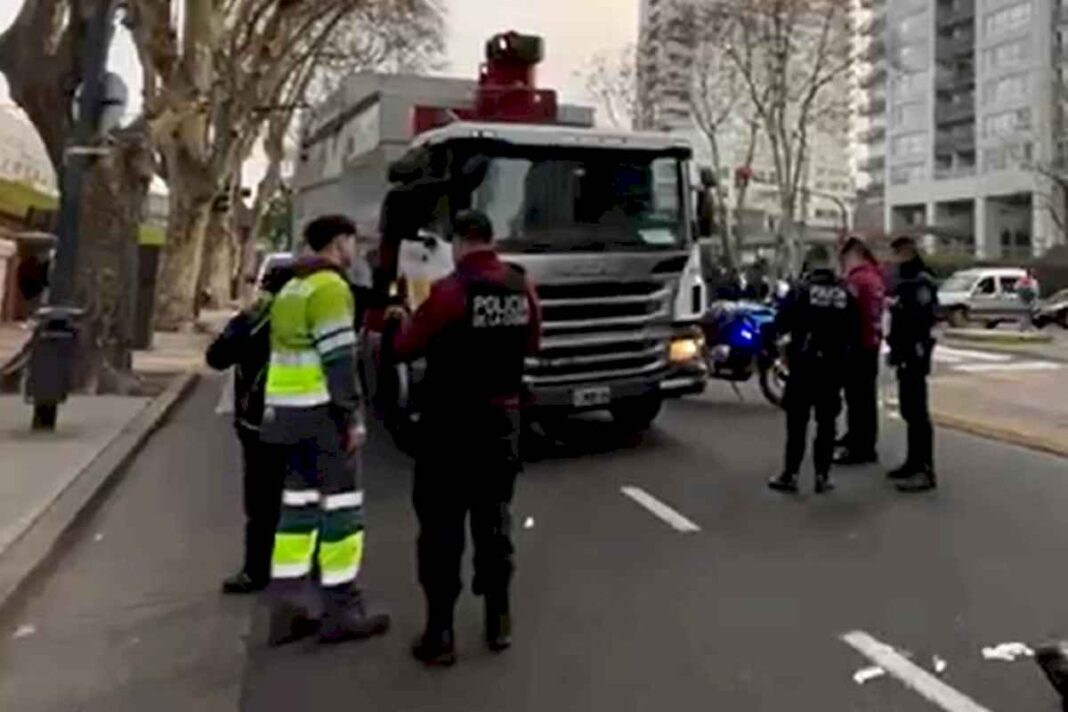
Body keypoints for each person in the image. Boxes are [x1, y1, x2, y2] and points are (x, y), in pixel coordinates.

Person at [390, 209, 541, 666]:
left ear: (458, 242)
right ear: (491, 239)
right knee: (495, 520)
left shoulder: (449, 292)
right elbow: (533, 343)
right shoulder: (522, 286)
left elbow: (404, 348)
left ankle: (441, 634)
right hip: (501, 424)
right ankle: (499, 621)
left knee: (441, 528)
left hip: (449, 428)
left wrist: (401, 320)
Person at [261, 215, 390, 645]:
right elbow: (338, 359)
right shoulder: (331, 288)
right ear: (339, 243)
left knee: (297, 514)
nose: (354, 250)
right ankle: (341, 610)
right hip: (321, 419)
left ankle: (289, 610)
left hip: (285, 417)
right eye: (352, 242)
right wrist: (351, 418)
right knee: (341, 513)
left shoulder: (291, 288)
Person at [205, 260, 294, 594]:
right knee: (303, 499)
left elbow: (217, 358)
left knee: (262, 499)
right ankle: (299, 572)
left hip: (257, 421)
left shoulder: (253, 319)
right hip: (306, 418)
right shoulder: (312, 318)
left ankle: (257, 570)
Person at [769, 244, 858, 495]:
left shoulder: (800, 290)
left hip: (804, 365)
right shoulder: (845, 293)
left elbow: (781, 323)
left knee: (797, 423)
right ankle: (823, 475)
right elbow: (854, 330)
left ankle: (791, 474)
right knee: (827, 424)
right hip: (833, 366)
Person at [886, 235, 938, 492]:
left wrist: (908, 350)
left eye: (897, 253)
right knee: (908, 409)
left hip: (914, 353)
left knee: (917, 412)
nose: (895, 259)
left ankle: (924, 469)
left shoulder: (920, 281)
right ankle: (912, 461)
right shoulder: (905, 280)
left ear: (907, 252)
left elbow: (919, 319)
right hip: (904, 352)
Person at [835, 237, 886, 466]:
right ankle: (862, 440)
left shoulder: (856, 281)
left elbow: (847, 313)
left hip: (856, 344)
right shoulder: (875, 278)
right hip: (871, 344)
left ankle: (859, 446)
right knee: (865, 397)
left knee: (857, 398)